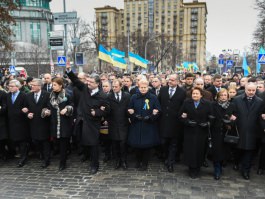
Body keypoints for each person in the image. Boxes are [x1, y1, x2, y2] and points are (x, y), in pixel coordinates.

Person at [66, 67, 109, 175]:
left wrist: (98, 112)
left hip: (93, 123)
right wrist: (69, 71)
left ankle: (94, 165)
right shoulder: (85, 88)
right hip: (81, 120)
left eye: (91, 82)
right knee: (82, 141)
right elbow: (76, 81)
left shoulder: (102, 95)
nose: (88, 83)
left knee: (93, 144)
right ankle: (86, 156)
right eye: (88, 81)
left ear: (97, 84)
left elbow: (107, 110)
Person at [128, 79, 161, 171]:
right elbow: (129, 109)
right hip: (137, 124)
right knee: (137, 145)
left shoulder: (153, 97)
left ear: (148, 87)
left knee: (146, 145)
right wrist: (133, 115)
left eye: (144, 87)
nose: (143, 89)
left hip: (148, 125)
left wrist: (151, 117)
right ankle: (138, 161)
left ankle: (145, 163)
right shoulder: (134, 97)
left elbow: (158, 110)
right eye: (141, 87)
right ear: (138, 88)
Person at [179, 87, 212, 179]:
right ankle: (191, 168)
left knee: (200, 149)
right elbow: (181, 115)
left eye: (197, 93)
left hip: (202, 131)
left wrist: (207, 123)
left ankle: (198, 167)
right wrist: (187, 121)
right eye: (193, 93)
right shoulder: (186, 103)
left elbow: (212, 116)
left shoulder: (208, 104)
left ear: (201, 95)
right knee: (190, 150)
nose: (195, 95)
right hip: (190, 130)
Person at [233, 82, 264, 180]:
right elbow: (233, 112)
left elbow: (260, 116)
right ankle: (236, 162)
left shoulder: (260, 101)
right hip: (239, 129)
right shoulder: (237, 99)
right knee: (238, 149)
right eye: (249, 90)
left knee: (249, 151)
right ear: (245, 89)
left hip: (252, 131)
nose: (251, 92)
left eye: (253, 90)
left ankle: (246, 170)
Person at [158, 74, 186, 172]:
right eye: (169, 80)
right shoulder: (163, 89)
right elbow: (158, 102)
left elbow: (184, 106)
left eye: (173, 80)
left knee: (174, 144)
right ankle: (166, 157)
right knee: (163, 142)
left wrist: (181, 116)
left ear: (178, 81)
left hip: (175, 122)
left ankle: (170, 162)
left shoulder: (182, 92)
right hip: (163, 122)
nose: (170, 81)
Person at [22, 78, 51, 168]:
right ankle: (41, 154)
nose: (31, 86)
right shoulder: (28, 95)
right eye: (31, 85)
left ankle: (46, 160)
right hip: (33, 123)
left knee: (45, 142)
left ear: (39, 86)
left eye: (33, 85)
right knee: (36, 141)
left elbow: (50, 107)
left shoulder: (47, 95)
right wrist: (27, 113)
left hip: (44, 122)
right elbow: (25, 107)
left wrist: (48, 112)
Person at [48, 77, 73, 171]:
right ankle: (65, 153)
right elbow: (48, 106)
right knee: (57, 143)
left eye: (54, 85)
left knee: (63, 143)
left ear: (60, 85)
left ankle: (63, 162)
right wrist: (47, 111)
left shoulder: (67, 94)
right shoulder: (50, 95)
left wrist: (67, 109)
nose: (52, 86)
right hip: (54, 122)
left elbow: (72, 105)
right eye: (52, 85)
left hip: (64, 123)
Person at [211, 88, 236, 180]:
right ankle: (217, 169)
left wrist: (231, 122)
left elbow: (235, 117)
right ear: (218, 97)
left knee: (225, 150)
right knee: (216, 151)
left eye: (225, 95)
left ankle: (221, 165)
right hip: (216, 131)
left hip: (227, 131)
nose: (223, 97)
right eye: (221, 95)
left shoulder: (232, 105)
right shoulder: (213, 105)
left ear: (228, 96)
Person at [108, 79, 131, 170]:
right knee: (115, 144)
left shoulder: (127, 96)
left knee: (123, 144)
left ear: (121, 86)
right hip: (113, 124)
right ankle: (117, 161)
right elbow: (107, 110)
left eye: (116, 87)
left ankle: (124, 161)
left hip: (124, 124)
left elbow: (130, 108)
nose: (114, 88)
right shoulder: (109, 96)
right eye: (113, 87)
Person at [6, 80, 30, 167]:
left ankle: (23, 158)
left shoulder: (23, 95)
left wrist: (26, 110)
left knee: (22, 141)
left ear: (17, 87)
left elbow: (27, 106)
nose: (10, 88)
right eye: (9, 86)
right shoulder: (8, 95)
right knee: (14, 139)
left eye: (12, 86)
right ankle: (15, 154)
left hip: (21, 122)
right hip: (11, 121)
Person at [0, 89, 8, 160]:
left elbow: (5, 107)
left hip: (1, 120)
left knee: (1, 140)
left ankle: (4, 154)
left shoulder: (2, 94)